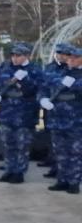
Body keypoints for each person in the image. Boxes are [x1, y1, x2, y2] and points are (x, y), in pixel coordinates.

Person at [0, 42, 42, 183]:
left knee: (22, 145)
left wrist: (23, 80)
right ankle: (9, 170)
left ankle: (19, 172)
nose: (15, 58)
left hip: (25, 113)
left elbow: (35, 90)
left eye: (18, 55)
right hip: (7, 112)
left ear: (26, 56)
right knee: (8, 143)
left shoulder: (34, 70)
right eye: (13, 55)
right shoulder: (6, 68)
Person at [41, 44, 81, 194]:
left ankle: (74, 182)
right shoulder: (58, 73)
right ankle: (62, 180)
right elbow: (45, 87)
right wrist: (43, 99)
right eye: (70, 57)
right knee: (60, 152)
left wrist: (76, 84)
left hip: (76, 121)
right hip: (57, 119)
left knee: (75, 152)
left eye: (76, 57)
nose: (71, 60)